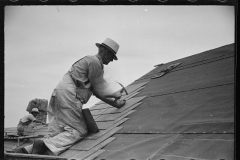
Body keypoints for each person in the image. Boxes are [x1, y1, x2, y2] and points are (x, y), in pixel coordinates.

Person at [14, 38, 126, 155]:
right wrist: (115, 94)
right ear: (106, 52)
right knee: (79, 130)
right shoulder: (95, 62)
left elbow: (96, 91)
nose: (112, 60)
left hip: (59, 93)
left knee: (57, 134)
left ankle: (25, 151)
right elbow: (98, 90)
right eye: (112, 57)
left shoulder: (88, 59)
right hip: (69, 95)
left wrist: (115, 103)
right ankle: (43, 146)